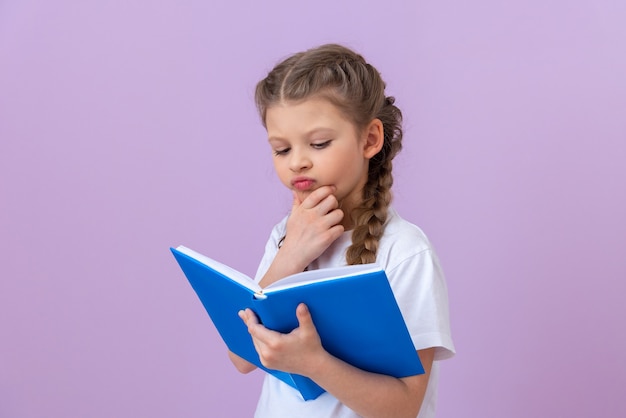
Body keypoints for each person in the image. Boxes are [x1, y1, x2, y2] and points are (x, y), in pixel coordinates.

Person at [228, 43, 455, 418]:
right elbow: (241, 358)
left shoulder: (406, 253)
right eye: (281, 150)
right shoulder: (286, 236)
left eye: (318, 144)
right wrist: (289, 257)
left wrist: (314, 362)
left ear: (369, 140)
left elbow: (403, 408)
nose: (298, 162)